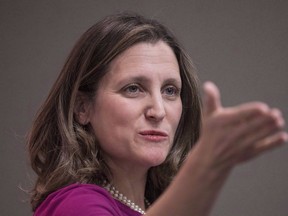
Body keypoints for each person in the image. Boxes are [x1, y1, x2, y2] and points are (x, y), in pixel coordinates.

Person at [28, 12, 287, 216]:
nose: (158, 111)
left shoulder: (154, 206)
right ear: (83, 108)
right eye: (133, 89)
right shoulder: (76, 205)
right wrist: (206, 165)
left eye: (170, 91)